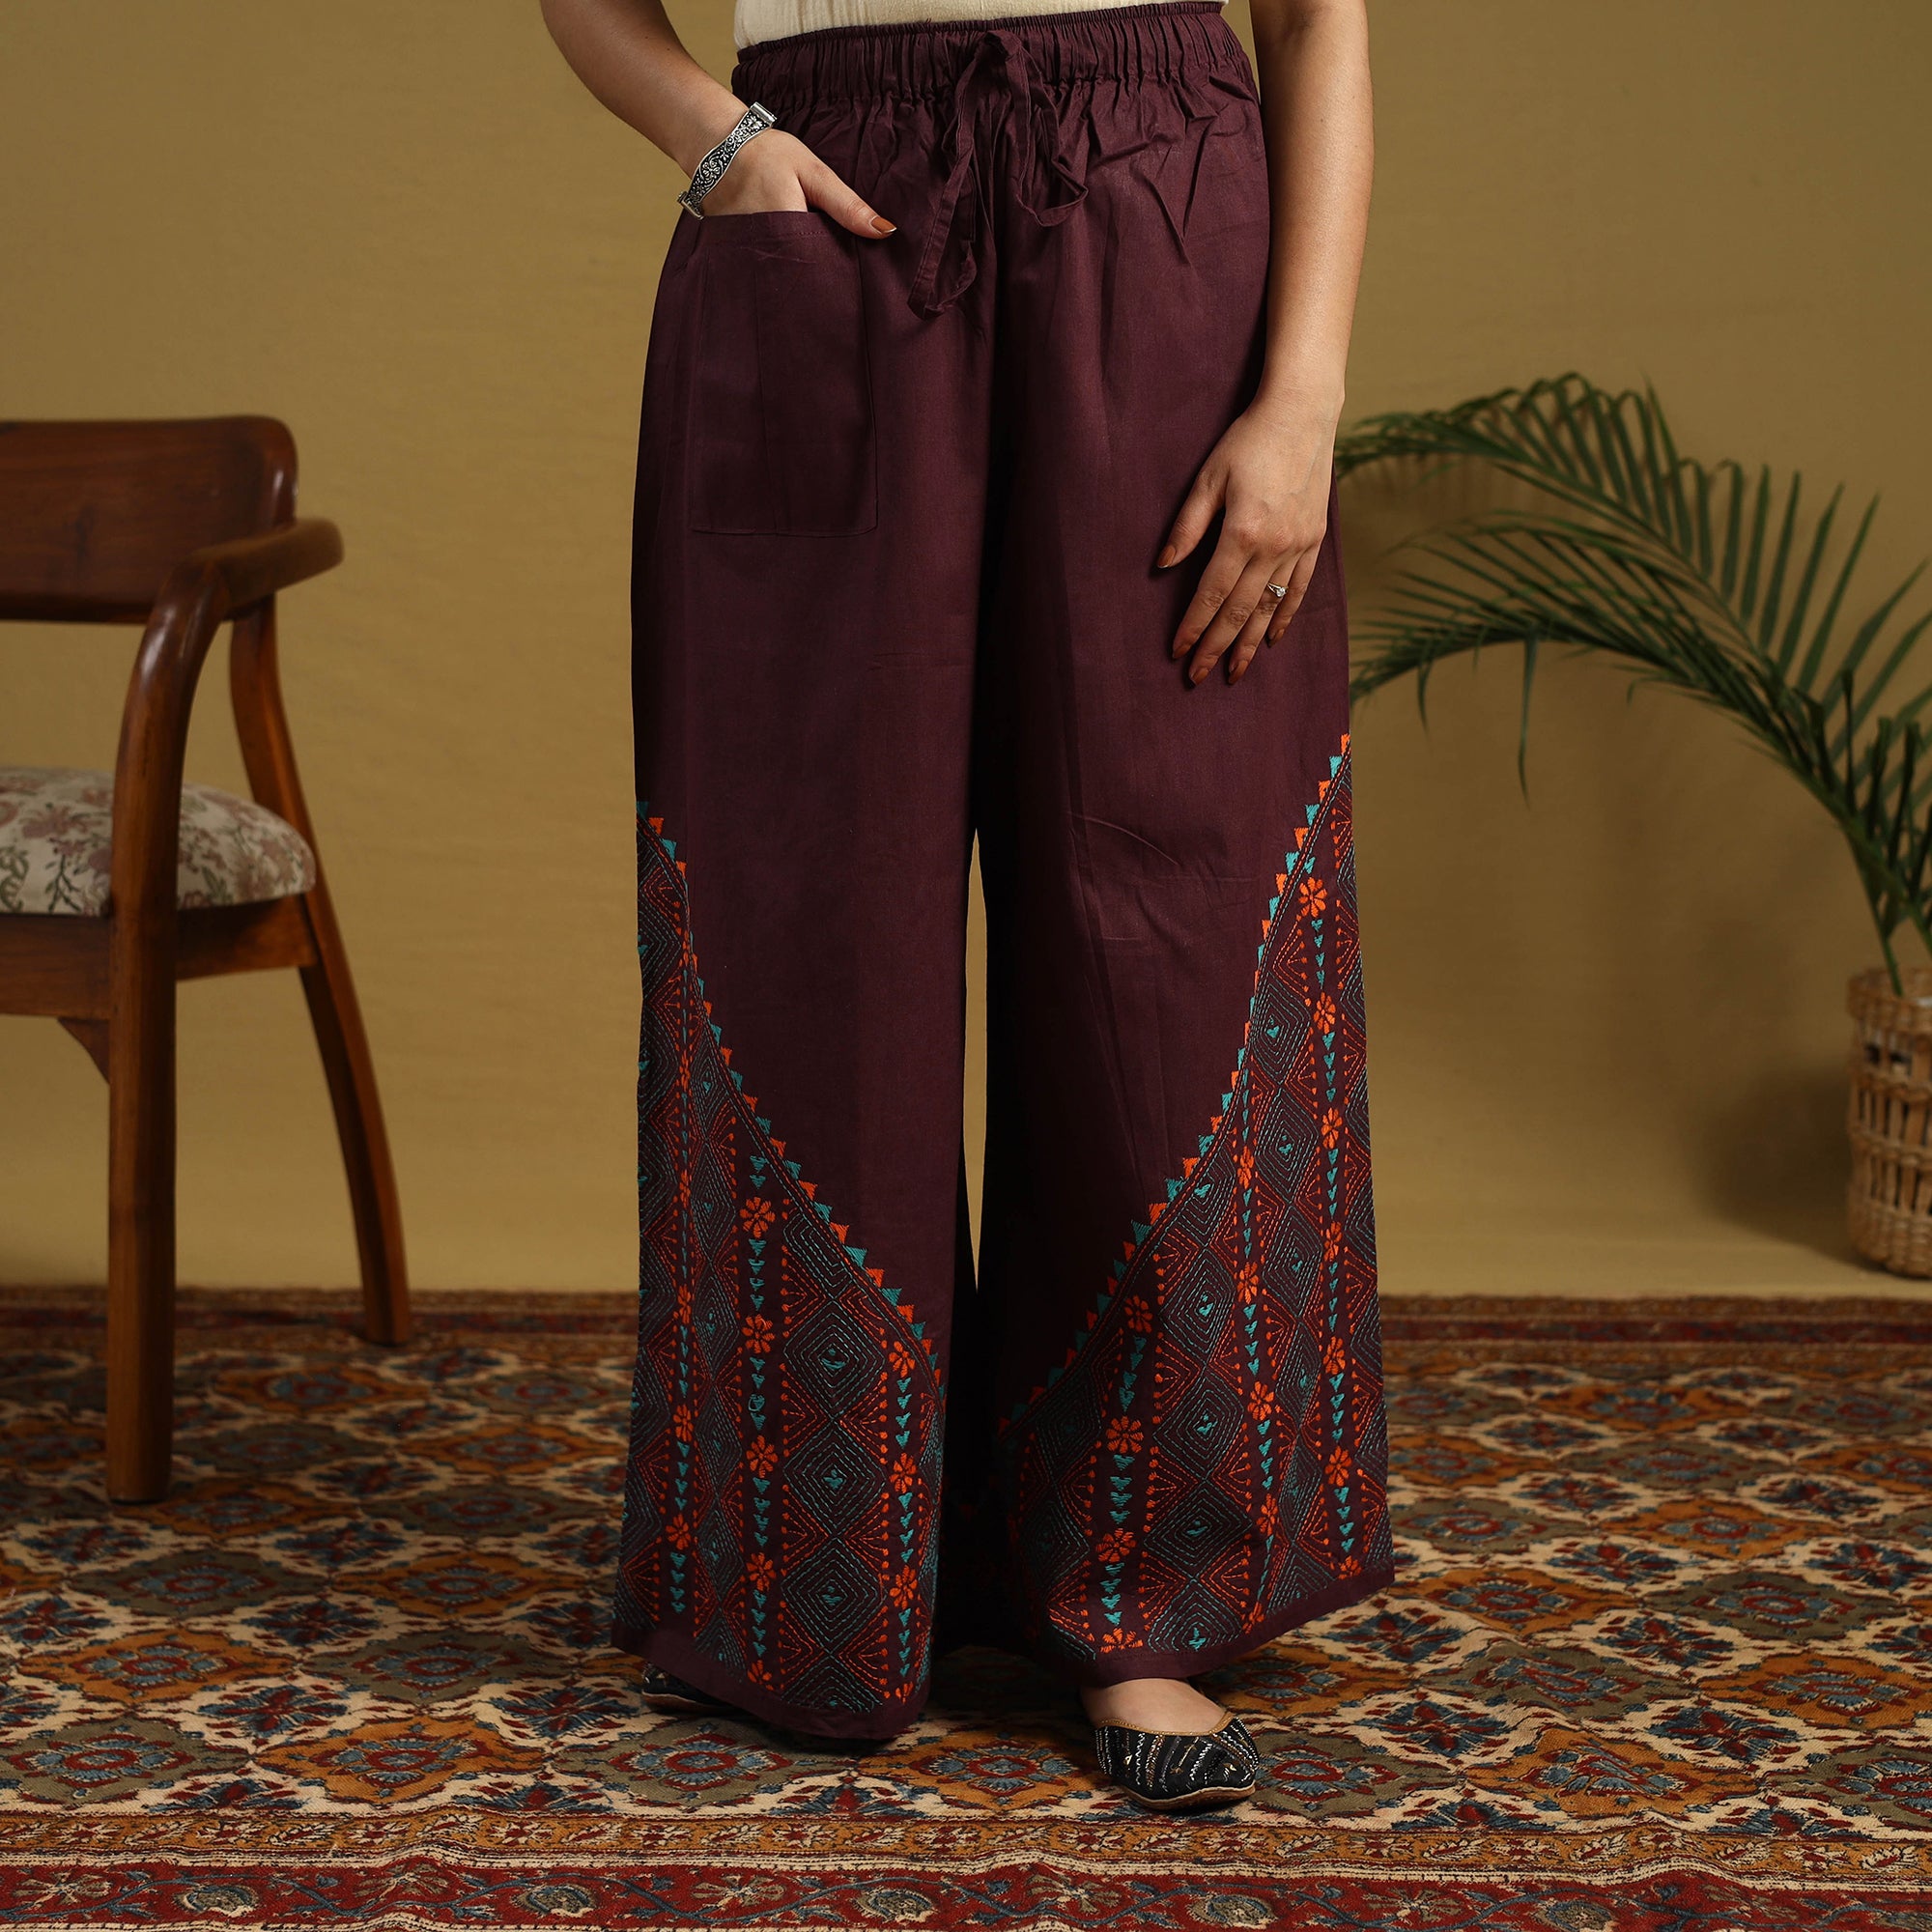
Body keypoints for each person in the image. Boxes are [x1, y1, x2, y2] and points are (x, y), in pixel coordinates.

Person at [540, 0, 1388, 1812]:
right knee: (805, 918)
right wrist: (716, 142)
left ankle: (1153, 1599)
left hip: (1161, 213)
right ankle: (816, 1577)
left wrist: (1304, 396)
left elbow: (1318, 20)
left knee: (1167, 918)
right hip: (824, 214)